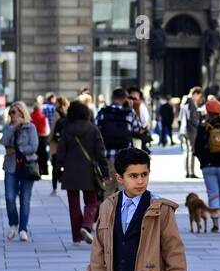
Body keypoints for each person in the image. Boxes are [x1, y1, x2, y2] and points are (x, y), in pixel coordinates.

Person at [55, 100, 108, 245]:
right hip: (88, 172)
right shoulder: (93, 129)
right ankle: (86, 225)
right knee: (92, 202)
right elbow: (100, 153)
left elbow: (60, 154)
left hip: (70, 172)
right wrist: (105, 173)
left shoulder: (67, 129)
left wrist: (57, 171)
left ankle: (76, 237)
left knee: (73, 205)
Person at [192, 97, 220, 232]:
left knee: (213, 193)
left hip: (208, 165)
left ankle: (215, 223)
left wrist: (202, 161)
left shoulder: (203, 126)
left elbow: (197, 148)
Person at [1, 102, 40, 242]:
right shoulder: (8, 127)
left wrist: (18, 150)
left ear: (22, 113)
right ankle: (13, 224)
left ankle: (23, 229)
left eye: (14, 112)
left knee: (25, 199)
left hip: (27, 167)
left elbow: (34, 146)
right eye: (10, 113)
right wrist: (13, 128)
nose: (12, 115)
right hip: (11, 167)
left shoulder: (31, 128)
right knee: (9, 197)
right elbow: (3, 141)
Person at [96, 88, 139, 161]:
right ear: (125, 99)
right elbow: (137, 128)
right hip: (125, 153)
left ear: (112, 98)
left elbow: (95, 128)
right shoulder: (130, 112)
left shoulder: (103, 112)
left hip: (106, 152)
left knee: (108, 171)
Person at [180, 87, 203, 179]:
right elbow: (191, 117)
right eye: (199, 96)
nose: (198, 99)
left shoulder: (184, 101)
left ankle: (187, 171)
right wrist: (199, 123)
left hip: (184, 129)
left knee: (187, 151)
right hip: (191, 130)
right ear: (195, 94)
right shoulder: (190, 102)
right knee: (192, 151)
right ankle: (191, 172)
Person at [30, 98, 50, 179]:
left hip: (32, 138)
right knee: (42, 155)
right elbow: (46, 130)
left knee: (34, 155)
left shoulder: (30, 116)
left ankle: (33, 170)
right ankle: (41, 170)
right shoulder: (43, 117)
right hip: (42, 138)